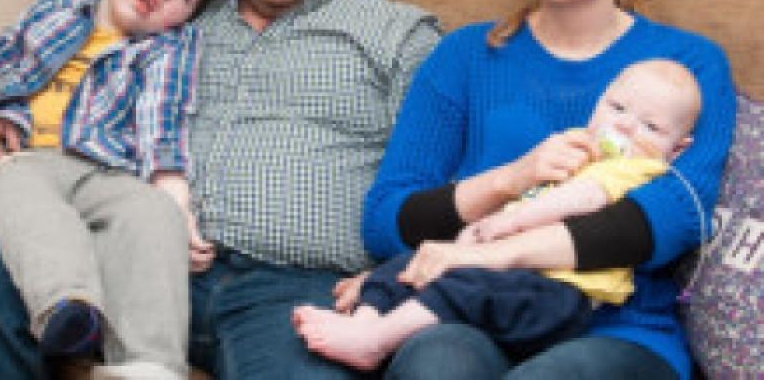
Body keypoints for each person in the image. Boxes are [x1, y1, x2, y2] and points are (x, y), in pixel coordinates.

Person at [0, 0, 442, 380]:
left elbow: (438, 184)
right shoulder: (175, 8)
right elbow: (67, 57)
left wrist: (388, 278)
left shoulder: (398, 35)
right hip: (132, 255)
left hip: (294, 291)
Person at [354, 0, 735, 379]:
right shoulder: (464, 57)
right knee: (434, 365)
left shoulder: (689, 66)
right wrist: (510, 179)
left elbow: (675, 217)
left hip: (618, 329)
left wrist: (488, 254)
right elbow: (386, 221)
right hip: (468, 310)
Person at [294, 58, 703, 371]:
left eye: (650, 126)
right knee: (409, 261)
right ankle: (364, 322)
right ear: (599, 102)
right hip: (507, 273)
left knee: (465, 288)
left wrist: (509, 225)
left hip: (561, 294)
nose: (626, 128)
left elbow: (582, 199)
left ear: (677, 148)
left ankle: (377, 341)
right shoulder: (578, 148)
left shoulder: (637, 169)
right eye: (617, 108)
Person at [0, 0, 228, 379]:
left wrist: (176, 206)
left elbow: (161, 118)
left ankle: (152, 366)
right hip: (26, 161)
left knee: (152, 214)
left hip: (108, 173)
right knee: (16, 187)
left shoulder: (170, 46)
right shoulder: (56, 7)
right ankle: (70, 309)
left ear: (186, 18)